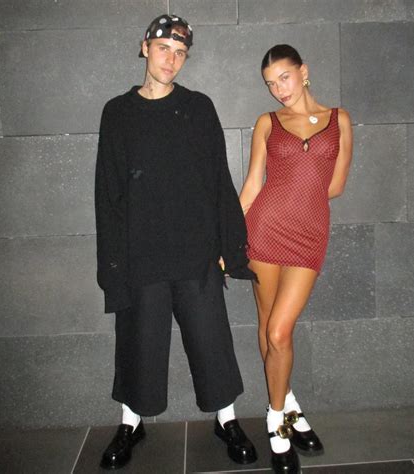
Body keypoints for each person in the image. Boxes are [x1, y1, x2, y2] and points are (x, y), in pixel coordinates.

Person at [95, 14, 257, 470]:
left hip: (196, 251)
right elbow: (108, 192)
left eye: (180, 53)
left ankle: (226, 419)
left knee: (211, 341)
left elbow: (219, 179)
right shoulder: (117, 112)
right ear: (145, 47)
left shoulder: (199, 108)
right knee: (138, 343)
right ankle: (131, 423)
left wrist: (230, 246)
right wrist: (113, 264)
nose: (171, 60)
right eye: (164, 48)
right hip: (141, 254)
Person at [240, 44, 353, 473]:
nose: (278, 90)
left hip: (307, 237)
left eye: (284, 78)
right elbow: (253, 185)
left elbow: (336, 185)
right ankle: (287, 410)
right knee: (269, 328)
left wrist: (301, 197)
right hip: (264, 230)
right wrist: (227, 240)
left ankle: (276, 420)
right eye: (270, 84)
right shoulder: (267, 123)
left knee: (280, 330)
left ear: (304, 72)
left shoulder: (340, 120)